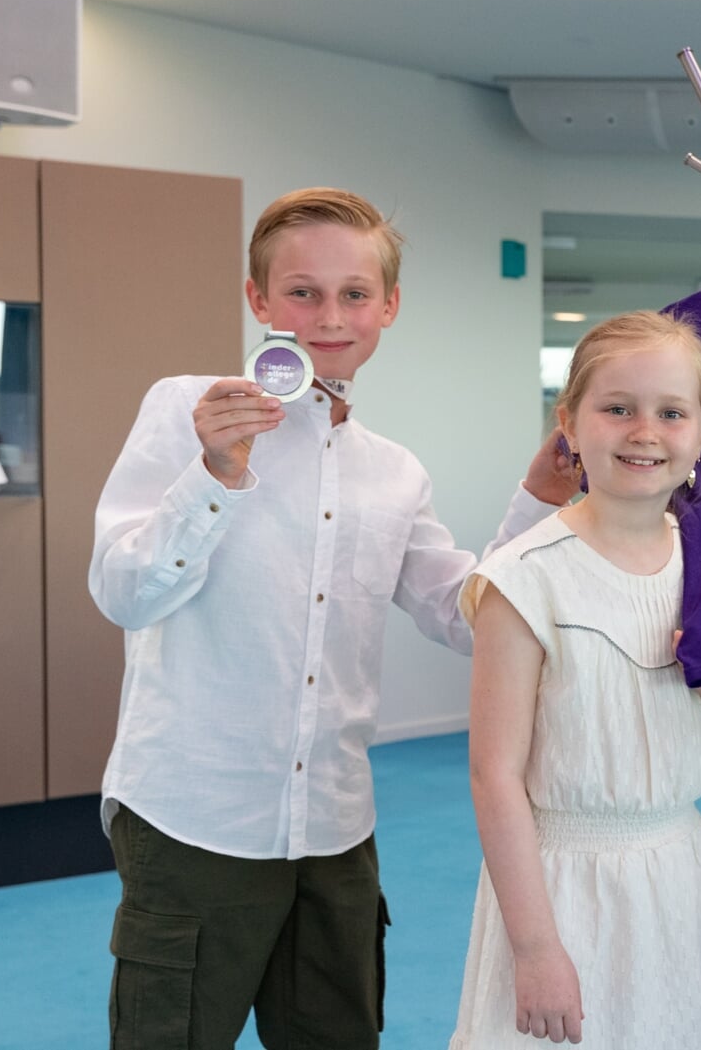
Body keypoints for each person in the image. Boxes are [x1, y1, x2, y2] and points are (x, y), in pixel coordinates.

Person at [90, 187, 575, 1049]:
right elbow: (125, 594)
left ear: (388, 305)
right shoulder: (183, 411)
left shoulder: (392, 473)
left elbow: (466, 617)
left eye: (354, 293)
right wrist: (213, 474)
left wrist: (538, 502)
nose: (329, 315)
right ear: (257, 298)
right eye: (301, 291)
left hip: (334, 827)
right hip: (194, 814)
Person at [448, 311, 701, 1049]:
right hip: (559, 885)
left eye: (669, 412)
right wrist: (534, 950)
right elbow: (492, 776)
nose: (643, 431)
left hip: (679, 874)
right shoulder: (522, 578)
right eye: (616, 407)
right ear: (568, 421)